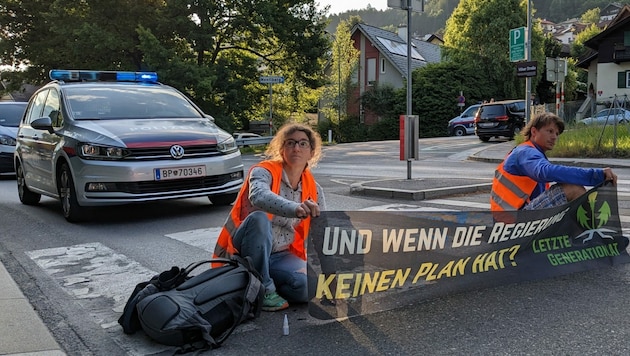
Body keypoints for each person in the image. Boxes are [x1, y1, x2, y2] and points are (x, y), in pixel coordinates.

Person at [213, 123, 326, 311]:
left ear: (312, 152)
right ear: (282, 149)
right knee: (259, 219)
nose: (296, 148)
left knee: (308, 288)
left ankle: (259, 283)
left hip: (281, 255)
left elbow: (322, 231)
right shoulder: (263, 172)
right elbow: (258, 195)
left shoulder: (315, 189)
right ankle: (264, 288)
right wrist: (295, 208)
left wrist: (330, 276)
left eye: (303, 143)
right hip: (245, 250)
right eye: (290, 143)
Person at [490, 112, 617, 211]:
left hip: (509, 221)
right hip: (514, 222)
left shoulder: (530, 152)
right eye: (550, 131)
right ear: (534, 132)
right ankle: (586, 238)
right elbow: (545, 172)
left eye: (556, 134)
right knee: (573, 188)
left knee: (566, 190)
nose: (554, 137)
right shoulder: (525, 152)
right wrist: (596, 175)